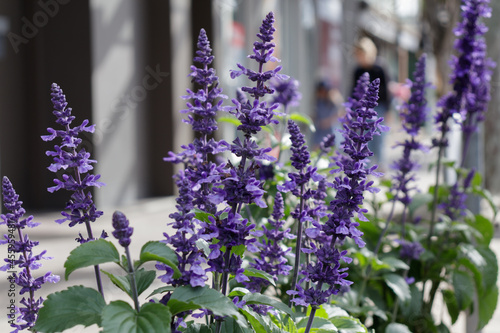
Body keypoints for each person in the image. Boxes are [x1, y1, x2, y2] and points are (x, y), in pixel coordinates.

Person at [352, 37, 391, 170]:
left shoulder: (379, 68)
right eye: (357, 55)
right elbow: (353, 90)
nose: (359, 58)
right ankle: (363, 166)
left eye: (361, 54)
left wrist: (389, 111)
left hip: (378, 107)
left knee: (378, 138)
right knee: (362, 137)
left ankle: (380, 166)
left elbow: (386, 90)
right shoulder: (358, 70)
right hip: (361, 109)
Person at [312, 81, 342, 150]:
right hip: (320, 130)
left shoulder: (332, 101)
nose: (322, 92)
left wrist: (327, 122)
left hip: (330, 129)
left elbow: (339, 114)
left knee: (331, 150)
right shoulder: (318, 101)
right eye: (320, 90)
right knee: (316, 149)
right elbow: (316, 114)